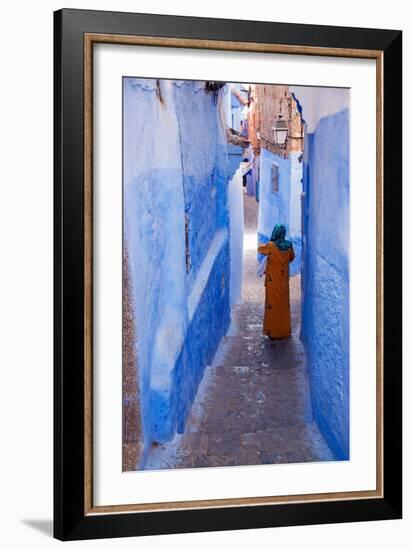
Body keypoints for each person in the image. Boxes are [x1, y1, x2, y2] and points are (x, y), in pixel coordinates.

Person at [258, 224, 295, 339]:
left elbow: (261, 250)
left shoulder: (271, 246)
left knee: (272, 306)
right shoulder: (289, 246)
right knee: (283, 306)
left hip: (272, 282)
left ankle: (273, 332)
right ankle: (284, 331)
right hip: (283, 282)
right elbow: (292, 257)